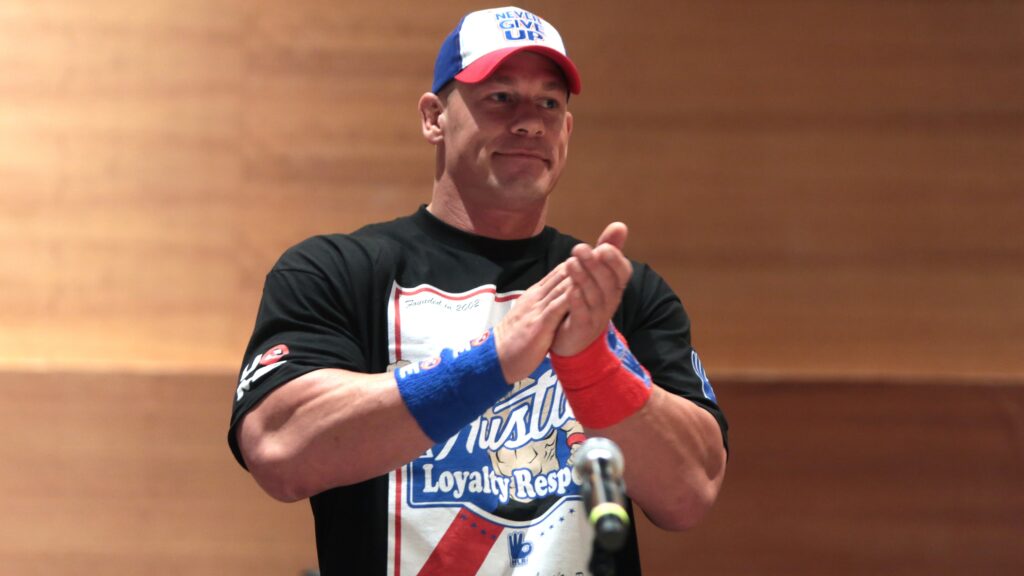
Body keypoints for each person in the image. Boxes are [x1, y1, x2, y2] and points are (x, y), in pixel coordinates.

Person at [228, 6, 728, 575]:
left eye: (549, 103)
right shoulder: (335, 271)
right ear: (434, 117)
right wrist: (493, 362)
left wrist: (592, 364)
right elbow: (279, 450)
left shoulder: (617, 292)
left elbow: (692, 492)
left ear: (566, 130)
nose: (529, 122)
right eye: (500, 97)